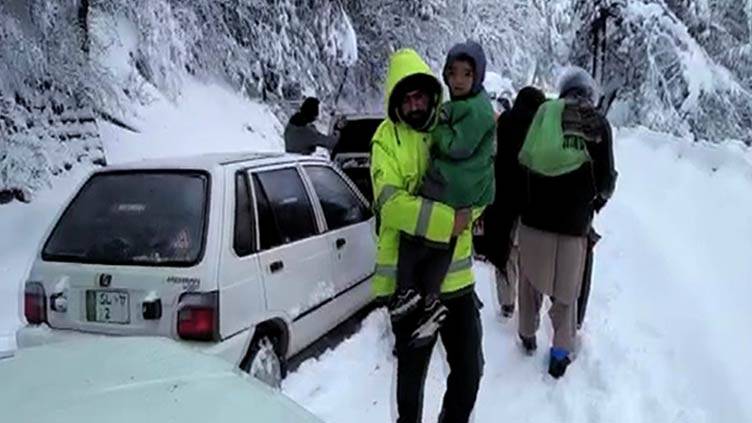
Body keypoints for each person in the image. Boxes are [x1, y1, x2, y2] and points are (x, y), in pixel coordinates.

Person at [370, 48, 483, 423]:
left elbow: (478, 184)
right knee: (410, 382)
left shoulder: (450, 126)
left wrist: (469, 212)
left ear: (433, 95)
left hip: (458, 281)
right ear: (396, 103)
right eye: (407, 98)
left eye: (421, 96)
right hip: (410, 285)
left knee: (470, 371)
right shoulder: (385, 140)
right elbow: (390, 204)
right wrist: (447, 221)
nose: (415, 104)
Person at [389, 40, 496, 347]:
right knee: (442, 240)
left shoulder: (476, 110)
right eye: (452, 73)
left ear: (478, 76)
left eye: (466, 74)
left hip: (452, 182)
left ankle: (410, 291)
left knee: (416, 235)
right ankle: (431, 300)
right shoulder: (469, 106)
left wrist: (438, 131)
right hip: (465, 189)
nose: (458, 80)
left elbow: (457, 145)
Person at [515, 67, 617, 378]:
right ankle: (559, 353)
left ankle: (527, 335)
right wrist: (595, 203)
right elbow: (606, 181)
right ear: (588, 92)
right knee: (566, 291)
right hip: (574, 223)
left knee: (529, 281)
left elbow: (524, 161)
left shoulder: (544, 114)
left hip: (533, 218)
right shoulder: (597, 122)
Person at [483, 87, 546, 318]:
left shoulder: (504, 123)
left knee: (505, 253)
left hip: (503, 201)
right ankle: (528, 308)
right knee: (526, 256)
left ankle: (507, 302)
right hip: (531, 204)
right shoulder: (541, 129)